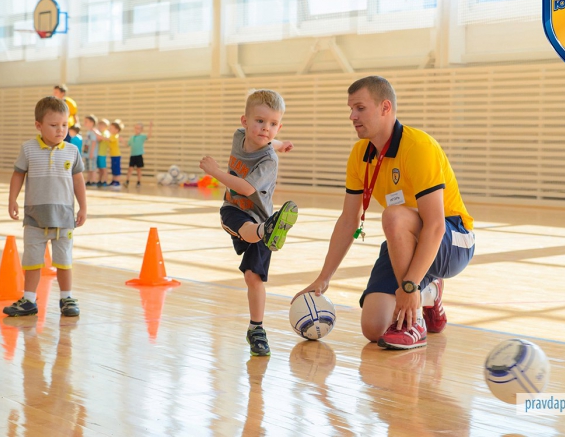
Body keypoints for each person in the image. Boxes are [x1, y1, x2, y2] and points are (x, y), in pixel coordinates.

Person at [292, 76, 475, 350]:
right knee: (374, 328)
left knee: (393, 216)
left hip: (453, 239)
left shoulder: (419, 147)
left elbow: (436, 225)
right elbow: (348, 221)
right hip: (406, 241)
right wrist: (323, 278)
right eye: (350, 109)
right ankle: (430, 293)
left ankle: (415, 320)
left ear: (385, 107)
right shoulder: (359, 155)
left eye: (360, 108)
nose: (352, 116)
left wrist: (409, 287)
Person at [199, 89, 298, 357]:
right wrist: (280, 143)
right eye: (260, 121)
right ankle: (266, 231)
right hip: (234, 210)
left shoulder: (268, 161)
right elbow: (267, 142)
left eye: (273, 124)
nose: (266, 129)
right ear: (244, 122)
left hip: (261, 216)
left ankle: (257, 328)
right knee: (246, 228)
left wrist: (215, 172)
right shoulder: (239, 136)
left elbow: (245, 187)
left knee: (253, 277)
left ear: (279, 126)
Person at [4, 96, 87, 317]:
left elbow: (78, 181)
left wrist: (83, 207)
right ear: (38, 125)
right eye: (54, 125)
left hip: (64, 218)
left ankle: (67, 298)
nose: (61, 130)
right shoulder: (28, 149)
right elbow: (18, 174)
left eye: (64, 124)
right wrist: (12, 199)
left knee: (64, 261)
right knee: (32, 261)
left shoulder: (72, 151)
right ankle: (29, 300)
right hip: (35, 218)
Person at [125, 121, 152, 187]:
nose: (137, 130)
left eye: (139, 128)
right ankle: (127, 181)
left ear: (141, 130)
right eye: (136, 128)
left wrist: (150, 127)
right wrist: (122, 140)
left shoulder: (142, 136)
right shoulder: (132, 137)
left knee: (139, 169)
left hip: (139, 155)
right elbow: (127, 145)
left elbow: (149, 136)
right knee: (130, 169)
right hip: (132, 155)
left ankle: (139, 182)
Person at [82, 115, 99, 186]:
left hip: (91, 154)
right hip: (87, 154)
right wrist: (84, 152)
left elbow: (93, 142)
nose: (84, 123)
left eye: (86, 122)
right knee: (88, 168)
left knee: (92, 168)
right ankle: (88, 180)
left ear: (92, 123)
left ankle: (94, 181)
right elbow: (87, 143)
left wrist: (91, 152)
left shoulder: (93, 132)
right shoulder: (88, 132)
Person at [107, 119, 123, 189]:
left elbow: (108, 139)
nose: (109, 129)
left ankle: (117, 181)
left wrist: (99, 136)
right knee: (113, 168)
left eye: (111, 128)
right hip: (113, 155)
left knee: (117, 169)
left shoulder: (115, 136)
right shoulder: (112, 135)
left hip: (116, 155)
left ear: (117, 130)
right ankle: (113, 180)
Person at [96, 118, 110, 187]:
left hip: (102, 154)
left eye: (102, 125)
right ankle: (100, 180)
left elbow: (101, 139)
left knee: (103, 168)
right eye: (99, 125)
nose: (100, 127)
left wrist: (96, 133)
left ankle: (105, 181)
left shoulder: (106, 133)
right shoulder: (100, 133)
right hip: (98, 153)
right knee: (100, 169)